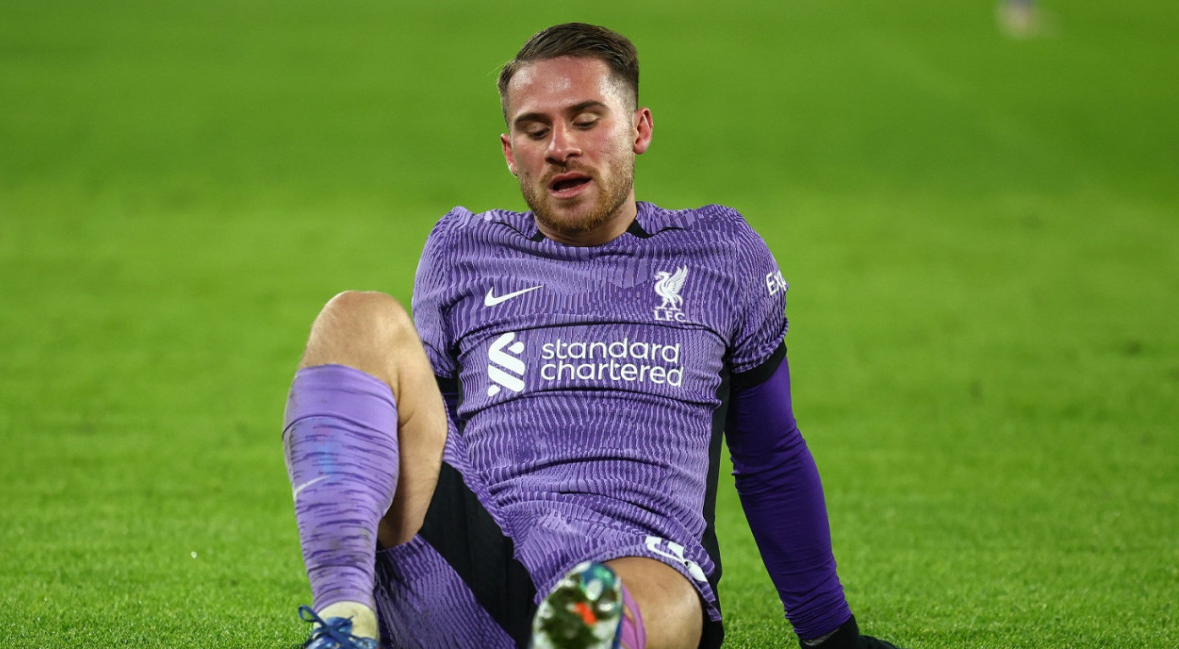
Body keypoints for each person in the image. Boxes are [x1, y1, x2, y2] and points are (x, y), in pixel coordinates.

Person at [282, 22, 904, 649]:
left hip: (635, 567)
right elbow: (421, 432)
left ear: (640, 130)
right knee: (355, 317)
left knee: (626, 602)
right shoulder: (462, 251)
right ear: (508, 150)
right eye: (535, 129)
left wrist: (831, 636)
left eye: (586, 120)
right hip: (468, 567)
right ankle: (343, 626)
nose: (561, 147)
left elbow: (770, 455)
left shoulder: (720, 256)